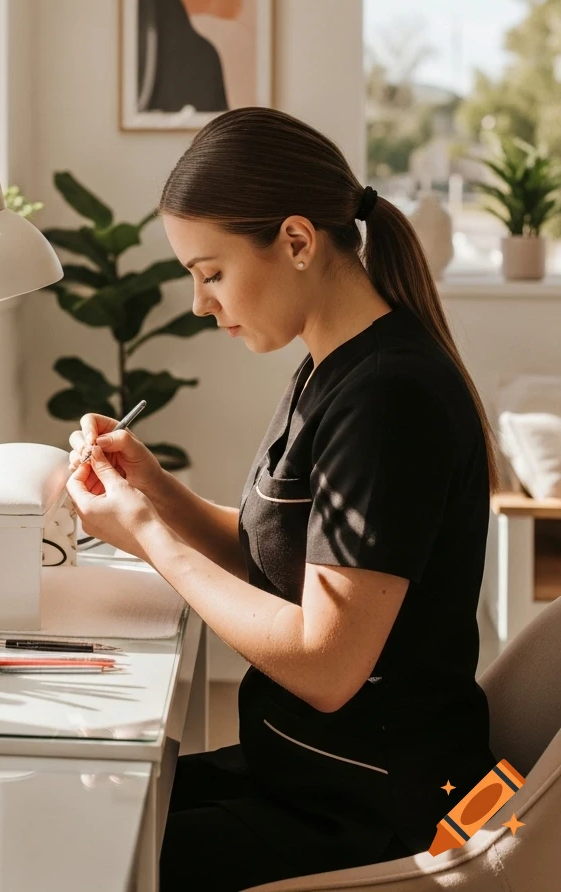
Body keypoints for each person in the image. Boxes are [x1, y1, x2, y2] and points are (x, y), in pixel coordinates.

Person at [66, 106, 497, 892]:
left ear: (297, 241)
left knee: (83, 851)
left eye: (212, 273)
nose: (201, 305)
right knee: (76, 806)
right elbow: (281, 559)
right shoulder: (330, 369)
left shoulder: (389, 399)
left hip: (371, 810)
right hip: (305, 779)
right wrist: (152, 488)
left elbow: (327, 663)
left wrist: (150, 541)